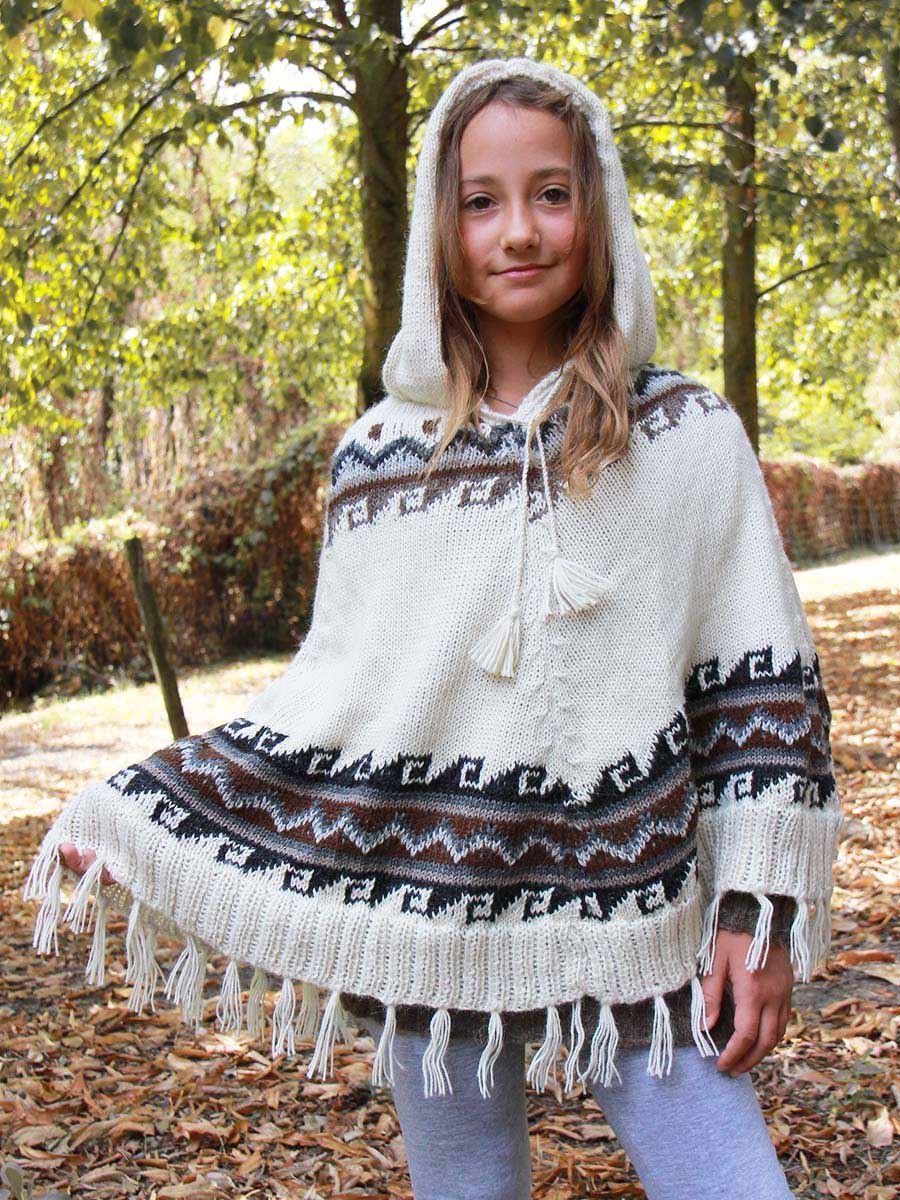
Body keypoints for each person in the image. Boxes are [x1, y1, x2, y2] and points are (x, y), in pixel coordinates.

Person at [28, 57, 842, 1200]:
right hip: (433, 929)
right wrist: (149, 817)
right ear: (437, 231)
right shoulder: (378, 461)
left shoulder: (685, 436)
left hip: (640, 930)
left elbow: (761, 692)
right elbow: (335, 698)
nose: (521, 230)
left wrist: (758, 913)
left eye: (553, 194)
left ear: (600, 208)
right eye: (481, 202)